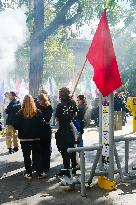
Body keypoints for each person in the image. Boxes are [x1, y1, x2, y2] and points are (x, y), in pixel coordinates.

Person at [14, 95, 46, 180]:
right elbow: (42, 125)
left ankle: (29, 173)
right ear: (33, 102)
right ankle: (40, 173)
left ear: (23, 102)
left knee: (26, 156)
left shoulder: (19, 113)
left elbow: (15, 126)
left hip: (24, 138)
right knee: (37, 156)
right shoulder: (37, 112)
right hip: (35, 138)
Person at [55, 87, 78, 177]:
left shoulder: (60, 106)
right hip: (71, 129)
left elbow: (57, 118)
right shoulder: (73, 103)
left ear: (61, 95)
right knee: (72, 150)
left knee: (64, 151)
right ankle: (74, 169)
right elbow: (75, 114)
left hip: (63, 130)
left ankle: (67, 169)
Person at [38, 94, 53, 173]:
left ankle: (46, 166)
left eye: (40, 100)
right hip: (40, 130)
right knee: (40, 149)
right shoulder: (38, 106)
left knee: (46, 148)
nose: (38, 101)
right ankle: (41, 165)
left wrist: (41, 113)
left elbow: (47, 118)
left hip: (46, 129)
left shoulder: (48, 107)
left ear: (43, 100)